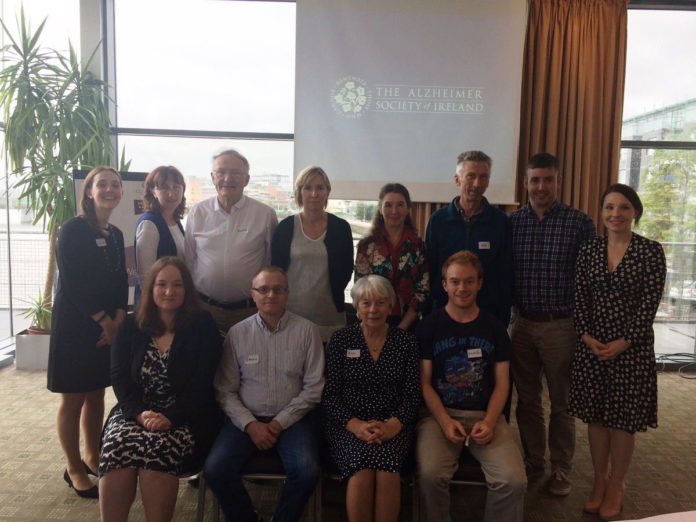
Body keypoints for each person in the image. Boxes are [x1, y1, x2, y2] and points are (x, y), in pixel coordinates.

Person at [99, 257, 222, 522]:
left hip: (185, 416)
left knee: (156, 452)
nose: (169, 291)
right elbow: (119, 379)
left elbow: (203, 384)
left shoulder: (203, 325)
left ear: (187, 289)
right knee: (116, 447)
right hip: (135, 411)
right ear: (150, 288)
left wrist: (170, 417)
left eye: (177, 285)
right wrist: (140, 414)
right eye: (162, 284)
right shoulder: (131, 327)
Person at [569, 184, 665, 520]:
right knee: (595, 417)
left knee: (622, 421)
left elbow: (648, 306)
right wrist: (585, 336)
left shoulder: (650, 252)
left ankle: (617, 484)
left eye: (623, 207)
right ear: (601, 211)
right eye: (609, 207)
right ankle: (599, 481)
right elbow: (579, 297)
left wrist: (624, 341)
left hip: (631, 349)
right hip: (592, 346)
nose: (615, 214)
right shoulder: (589, 250)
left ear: (635, 212)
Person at [204, 266, 324, 522]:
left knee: (307, 471)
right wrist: (250, 425)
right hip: (245, 420)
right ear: (253, 294)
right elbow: (225, 389)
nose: (271, 295)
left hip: (293, 421)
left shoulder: (307, 331)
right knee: (215, 469)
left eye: (278, 289)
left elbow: (314, 388)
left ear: (287, 293)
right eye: (264, 289)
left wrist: (280, 422)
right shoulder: (237, 334)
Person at [508, 152, 596, 495]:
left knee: (561, 404)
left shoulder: (579, 222)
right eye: (535, 180)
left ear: (558, 182)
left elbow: (590, 279)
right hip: (522, 325)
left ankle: (561, 469)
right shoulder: (512, 224)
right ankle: (534, 462)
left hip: (562, 326)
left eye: (547, 180)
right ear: (526, 183)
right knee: (527, 402)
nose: (541, 186)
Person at [416, 251, 526, 522]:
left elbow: (503, 383)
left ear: (479, 283)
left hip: (485, 417)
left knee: (513, 481)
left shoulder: (495, 328)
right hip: (438, 416)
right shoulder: (429, 327)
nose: (461, 288)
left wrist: (490, 421)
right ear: (444, 285)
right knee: (430, 475)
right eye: (454, 281)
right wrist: (443, 420)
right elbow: (424, 383)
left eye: (468, 281)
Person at [47, 166, 128, 498]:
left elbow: (122, 278)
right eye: (102, 184)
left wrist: (120, 317)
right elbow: (75, 283)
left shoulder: (116, 233)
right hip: (75, 325)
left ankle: (92, 454)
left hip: (108, 325)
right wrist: (105, 321)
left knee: (96, 393)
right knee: (73, 397)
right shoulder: (71, 230)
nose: (109, 189)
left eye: (115, 185)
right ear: (89, 191)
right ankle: (73, 467)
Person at [322, 275, 420, 522]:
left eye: (380, 303)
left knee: (387, 463)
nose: (373, 310)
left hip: (393, 426)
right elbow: (329, 396)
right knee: (362, 464)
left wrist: (392, 426)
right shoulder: (341, 341)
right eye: (366, 303)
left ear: (390, 306)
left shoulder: (406, 343)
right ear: (356, 307)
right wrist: (356, 426)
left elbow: (412, 396)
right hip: (348, 426)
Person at [185, 149, 278, 333]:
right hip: (205, 310)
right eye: (221, 172)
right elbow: (190, 260)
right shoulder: (198, 213)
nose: (228, 179)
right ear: (213, 178)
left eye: (235, 173)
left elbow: (271, 264)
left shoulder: (265, 215)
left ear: (246, 179)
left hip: (250, 311)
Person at [425, 150, 512, 325]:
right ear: (457, 180)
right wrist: (428, 315)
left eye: (483, 177)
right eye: (471, 176)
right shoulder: (438, 220)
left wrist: (502, 320)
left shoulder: (500, 222)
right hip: (443, 315)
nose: (477, 183)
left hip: (487, 317)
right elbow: (430, 269)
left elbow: (505, 273)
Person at [271, 165, 353, 342]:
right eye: (308, 188)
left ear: (327, 192)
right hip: (291, 315)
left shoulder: (341, 228)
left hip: (330, 316)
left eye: (320, 188)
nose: (314, 194)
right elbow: (275, 271)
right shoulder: (285, 227)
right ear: (299, 192)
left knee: (328, 369)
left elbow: (347, 269)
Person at [354, 183, 429, 331]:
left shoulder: (418, 246)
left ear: (408, 209)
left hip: (408, 325)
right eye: (388, 205)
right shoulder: (366, 246)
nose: (394, 211)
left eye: (400, 205)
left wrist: (403, 327)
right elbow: (360, 289)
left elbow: (422, 291)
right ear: (380, 209)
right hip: (372, 323)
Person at [134, 165, 186, 309]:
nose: (171, 193)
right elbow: (146, 277)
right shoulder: (150, 224)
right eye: (164, 188)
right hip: (155, 308)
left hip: (172, 302)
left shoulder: (175, 221)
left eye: (176, 187)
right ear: (153, 191)